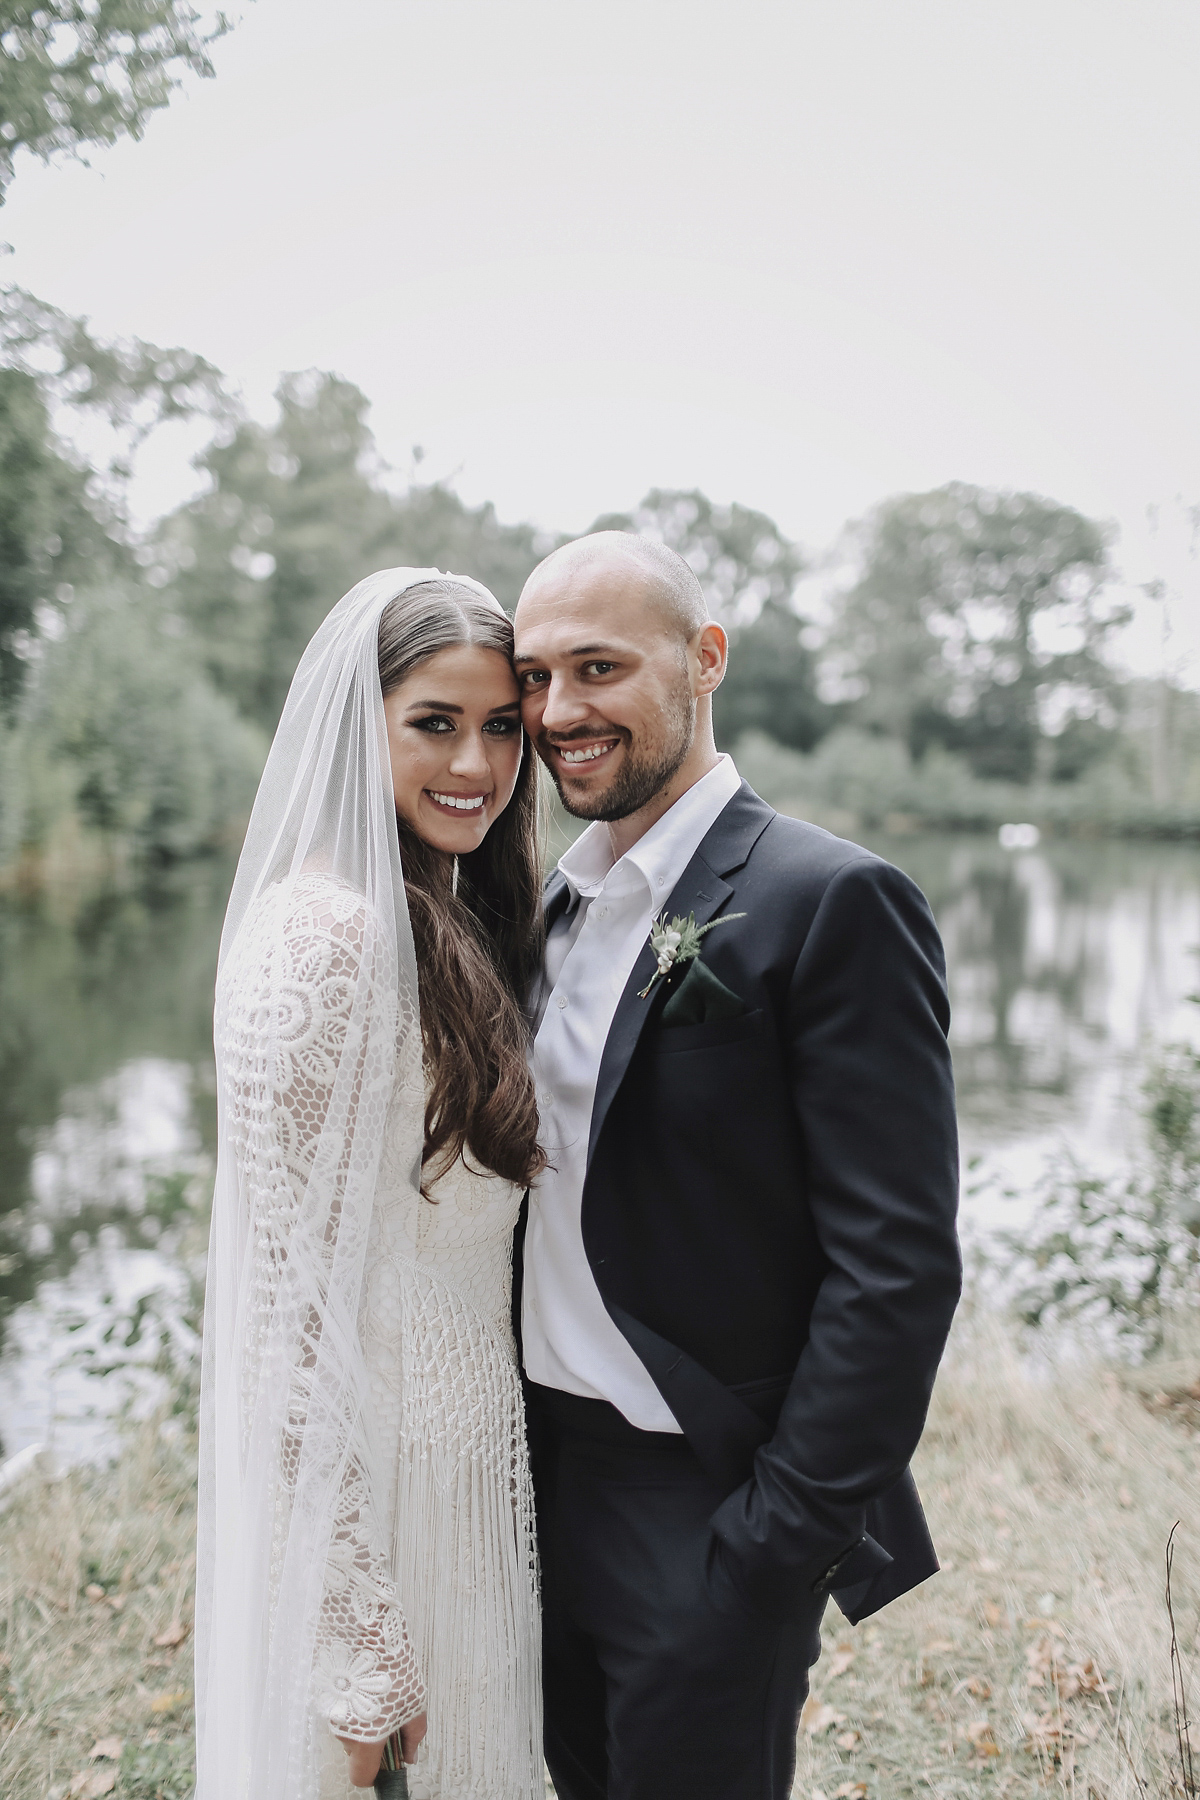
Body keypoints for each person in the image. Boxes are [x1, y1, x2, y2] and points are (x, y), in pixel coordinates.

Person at [512, 532, 962, 1800]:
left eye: (599, 667)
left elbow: (899, 1268)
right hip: (533, 1481)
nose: (559, 711)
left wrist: (771, 1550)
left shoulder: (835, 899)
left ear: (706, 659)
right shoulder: (545, 901)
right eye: (536, 678)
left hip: (699, 1502)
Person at [196, 570, 546, 1800]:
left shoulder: (434, 913)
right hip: (382, 1502)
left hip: (462, 1469)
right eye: (435, 724)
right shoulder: (324, 941)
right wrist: (356, 1636)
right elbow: (287, 1322)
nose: (478, 764)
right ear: (364, 724)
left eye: (501, 725)